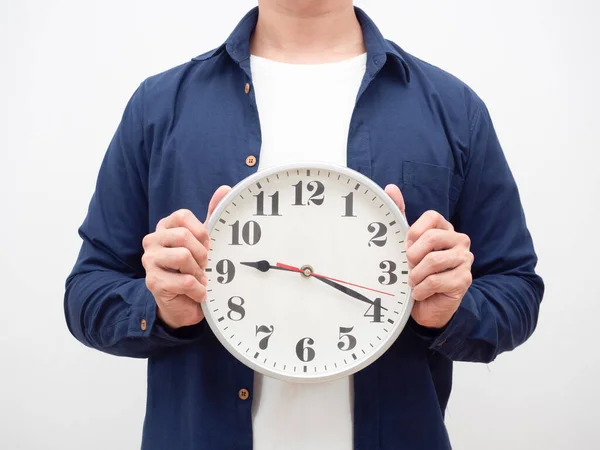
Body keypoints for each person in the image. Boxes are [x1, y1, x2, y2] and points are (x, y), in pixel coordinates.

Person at [64, 1, 544, 449]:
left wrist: (452, 312)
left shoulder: (452, 109)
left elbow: (516, 288)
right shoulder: (160, 106)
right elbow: (86, 293)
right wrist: (162, 308)